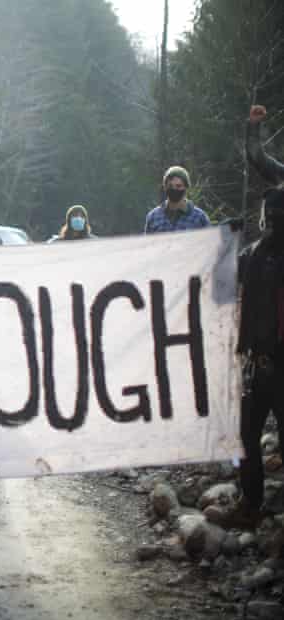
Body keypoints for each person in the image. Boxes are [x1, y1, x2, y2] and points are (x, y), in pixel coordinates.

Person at [223, 105, 284, 532]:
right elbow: (259, 159)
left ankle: (255, 507)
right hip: (257, 362)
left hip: (275, 362)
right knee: (245, 435)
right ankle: (252, 503)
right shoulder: (255, 254)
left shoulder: (264, 255)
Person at [144, 166, 210, 233]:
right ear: (165, 187)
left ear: (186, 187)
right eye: (170, 186)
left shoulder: (199, 218)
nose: (174, 189)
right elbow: (148, 243)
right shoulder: (153, 217)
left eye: (178, 186)